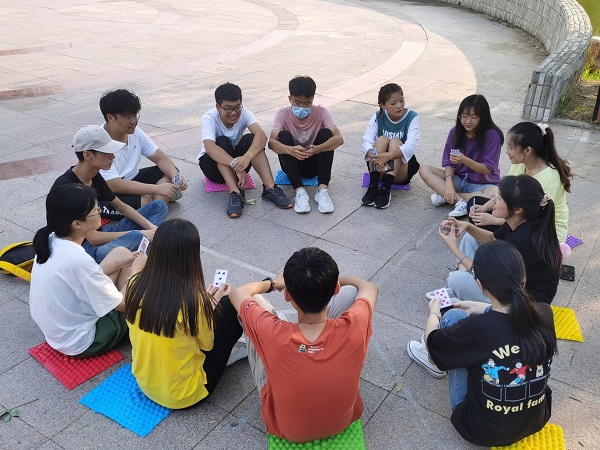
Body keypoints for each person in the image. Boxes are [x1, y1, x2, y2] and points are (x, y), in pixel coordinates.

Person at [407, 240, 556, 447]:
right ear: (523, 277)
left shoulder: (477, 329)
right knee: (470, 331)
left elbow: (432, 342)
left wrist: (434, 312)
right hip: (535, 419)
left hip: (479, 429)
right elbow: (507, 321)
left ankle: (435, 363)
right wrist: (482, 307)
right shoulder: (545, 313)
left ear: (480, 285)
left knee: (453, 317)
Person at [229, 247, 378, 443]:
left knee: (253, 301)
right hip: (342, 422)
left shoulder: (272, 332)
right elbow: (370, 287)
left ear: (287, 295)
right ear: (335, 289)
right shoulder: (355, 323)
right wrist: (328, 281)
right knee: (352, 291)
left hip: (286, 430)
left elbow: (238, 293)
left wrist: (275, 283)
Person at [125, 219, 243, 409]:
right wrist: (209, 304)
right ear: (191, 257)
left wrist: (207, 302)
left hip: (146, 384)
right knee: (231, 305)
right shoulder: (193, 300)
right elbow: (207, 345)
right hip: (185, 395)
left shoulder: (134, 283)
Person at [30, 184, 146, 357]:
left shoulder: (51, 239)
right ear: (77, 224)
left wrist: (124, 266)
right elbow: (122, 305)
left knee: (121, 253)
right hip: (85, 340)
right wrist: (136, 272)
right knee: (145, 284)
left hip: (59, 332)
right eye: (95, 210)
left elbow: (83, 277)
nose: (99, 211)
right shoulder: (77, 259)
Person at [52, 125, 167, 263]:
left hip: (102, 233)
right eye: (107, 153)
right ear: (88, 155)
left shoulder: (94, 176)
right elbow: (93, 238)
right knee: (136, 237)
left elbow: (120, 206)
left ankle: (145, 240)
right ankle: (141, 242)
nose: (113, 156)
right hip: (84, 250)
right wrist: (137, 233)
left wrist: (150, 226)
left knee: (158, 206)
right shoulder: (68, 188)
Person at [439, 175, 561, 304]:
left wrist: (454, 247)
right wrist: (468, 227)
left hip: (523, 303)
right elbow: (493, 239)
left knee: (456, 280)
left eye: (499, 198)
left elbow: (488, 276)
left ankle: (463, 289)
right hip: (510, 284)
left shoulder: (522, 240)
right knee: (470, 238)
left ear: (518, 209)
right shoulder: (519, 221)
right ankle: (464, 288)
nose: (494, 201)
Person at [198, 82, 292, 218]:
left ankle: (270, 188)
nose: (233, 113)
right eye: (228, 109)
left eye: (237, 107)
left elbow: (261, 135)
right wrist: (235, 165)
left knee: (252, 139)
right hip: (213, 168)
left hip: (239, 164)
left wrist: (247, 157)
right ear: (218, 107)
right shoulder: (209, 118)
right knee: (221, 141)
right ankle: (235, 193)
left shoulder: (244, 113)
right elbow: (210, 148)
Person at [468, 122, 571, 243]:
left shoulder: (549, 177)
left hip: (541, 230)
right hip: (518, 213)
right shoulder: (520, 163)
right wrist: (483, 208)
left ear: (527, 150)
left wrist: (493, 220)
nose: (507, 151)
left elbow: (532, 219)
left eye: (511, 148)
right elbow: (502, 193)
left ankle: (499, 244)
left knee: (490, 226)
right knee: (475, 205)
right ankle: (496, 240)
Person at [99, 88, 187, 215]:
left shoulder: (134, 131)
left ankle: (154, 208)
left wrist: (175, 176)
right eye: (128, 116)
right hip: (109, 192)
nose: (133, 121)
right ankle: (156, 205)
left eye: (135, 115)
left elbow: (160, 157)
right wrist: (157, 189)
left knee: (168, 172)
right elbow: (115, 185)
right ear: (110, 117)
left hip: (133, 178)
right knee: (145, 200)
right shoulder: (100, 142)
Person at [419, 94, 503, 217]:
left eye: (473, 117)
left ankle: (446, 196)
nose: (467, 121)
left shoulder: (493, 135)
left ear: (483, 117)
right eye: (463, 116)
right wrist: (449, 185)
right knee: (424, 169)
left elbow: (487, 169)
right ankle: (460, 201)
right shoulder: (455, 132)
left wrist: (465, 160)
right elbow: (448, 163)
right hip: (458, 179)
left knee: (494, 193)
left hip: (483, 184)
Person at [268, 76, 343, 214]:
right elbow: (271, 143)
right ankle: (299, 192)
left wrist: (317, 149)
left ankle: (322, 191)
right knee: (283, 136)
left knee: (327, 134)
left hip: (314, 162)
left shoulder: (321, 112)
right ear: (290, 99)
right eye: (297, 103)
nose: (302, 107)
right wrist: (290, 150)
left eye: (307, 103)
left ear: (313, 99)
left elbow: (339, 139)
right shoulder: (283, 113)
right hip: (292, 163)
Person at [361, 83, 421, 209]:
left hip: (399, 172)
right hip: (379, 167)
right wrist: (377, 157)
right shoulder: (378, 116)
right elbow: (367, 141)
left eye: (401, 100)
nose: (399, 105)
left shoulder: (412, 117)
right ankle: (373, 187)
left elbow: (410, 146)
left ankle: (385, 189)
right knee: (382, 139)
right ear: (382, 105)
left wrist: (388, 156)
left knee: (396, 142)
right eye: (393, 103)